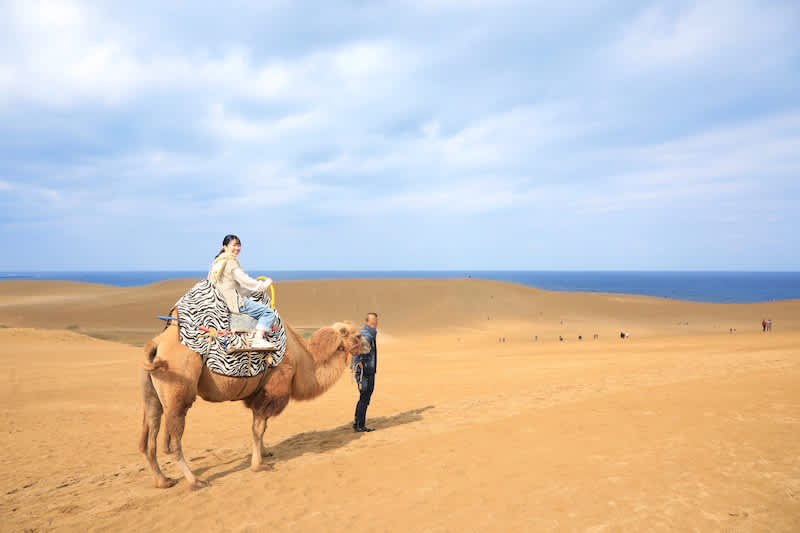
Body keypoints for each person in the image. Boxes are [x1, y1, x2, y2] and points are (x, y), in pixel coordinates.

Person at [208, 234, 275, 349]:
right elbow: (244, 280)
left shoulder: (217, 262)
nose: (237, 248)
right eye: (234, 245)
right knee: (268, 313)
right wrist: (262, 285)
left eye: (239, 245)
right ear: (225, 247)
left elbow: (233, 284)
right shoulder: (230, 262)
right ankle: (258, 340)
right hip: (233, 302)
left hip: (220, 301)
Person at [353, 312, 378, 433]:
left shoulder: (371, 333)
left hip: (369, 370)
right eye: (372, 320)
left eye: (375, 320)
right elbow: (360, 346)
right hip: (364, 371)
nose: (374, 323)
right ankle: (359, 425)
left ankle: (358, 423)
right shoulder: (366, 333)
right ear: (367, 322)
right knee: (364, 397)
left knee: (365, 397)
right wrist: (358, 364)